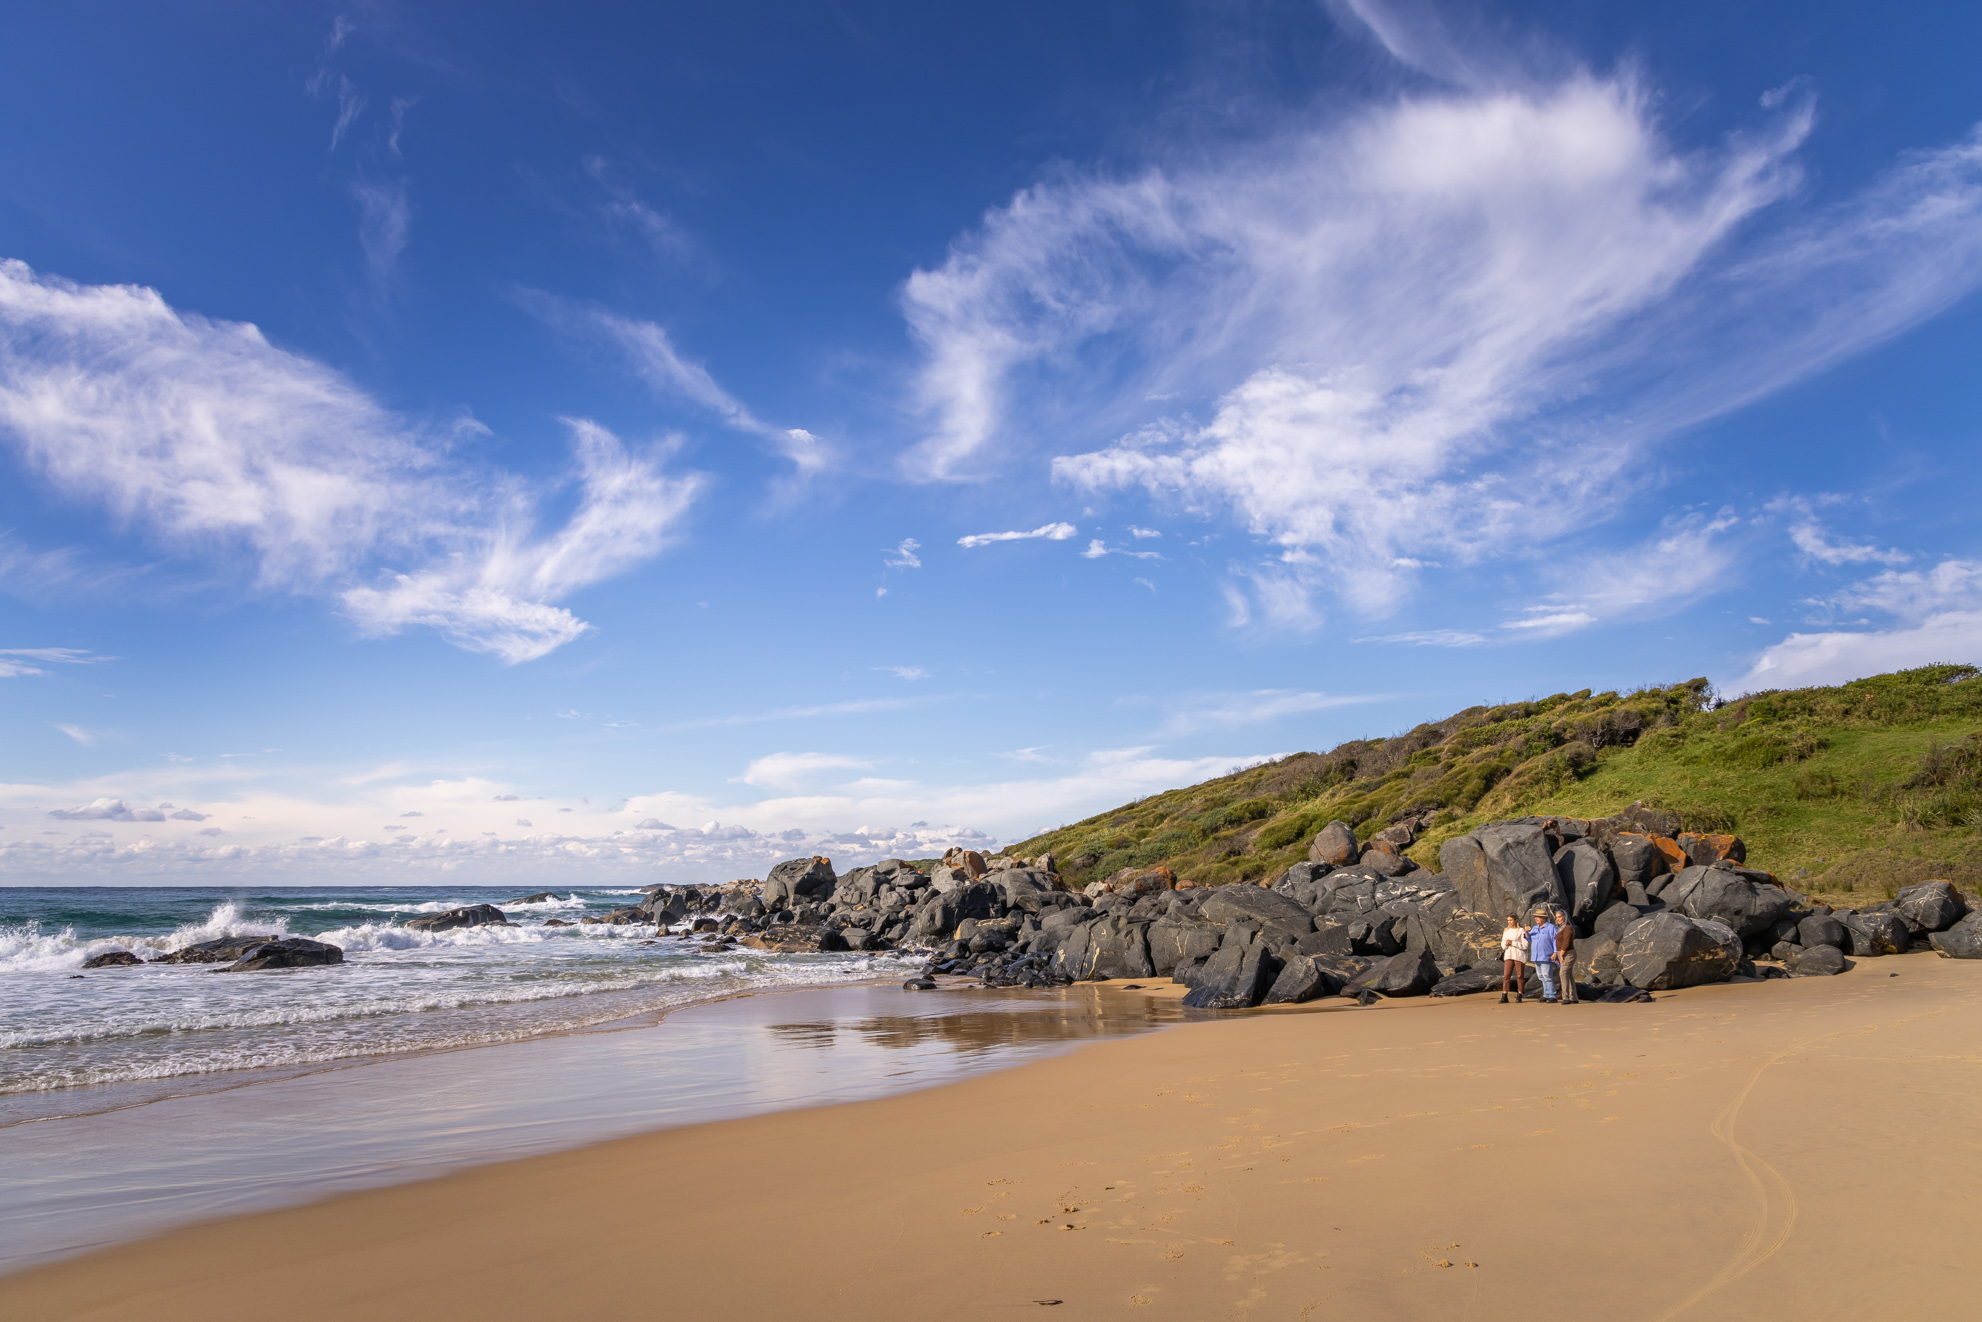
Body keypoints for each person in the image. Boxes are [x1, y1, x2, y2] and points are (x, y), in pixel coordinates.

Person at [1527, 909, 1559, 1002]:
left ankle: (1552, 995)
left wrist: (1555, 952)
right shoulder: (1535, 928)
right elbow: (1529, 939)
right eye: (1536, 917)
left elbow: (1556, 940)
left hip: (1546, 955)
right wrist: (1526, 932)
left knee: (1547, 975)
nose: (1536, 918)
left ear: (1544, 918)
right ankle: (1546, 994)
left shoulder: (1551, 927)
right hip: (1536, 956)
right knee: (1541, 976)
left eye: (1538, 917)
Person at [1498, 913, 1529, 1003]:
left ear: (1516, 920)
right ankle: (1504, 995)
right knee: (1506, 975)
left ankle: (1519, 994)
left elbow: (1525, 945)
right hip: (1508, 955)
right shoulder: (1506, 931)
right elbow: (1503, 945)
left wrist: (1513, 943)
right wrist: (1507, 944)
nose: (1509, 922)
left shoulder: (1521, 930)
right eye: (1508, 920)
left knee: (1520, 975)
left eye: (1511, 920)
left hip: (1519, 955)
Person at [1554, 907, 1579, 1004]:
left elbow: (1566, 942)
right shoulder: (1561, 928)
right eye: (1556, 917)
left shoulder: (1568, 928)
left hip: (1568, 953)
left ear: (1564, 917)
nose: (1558, 919)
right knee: (1569, 975)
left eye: (1560, 917)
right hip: (1562, 953)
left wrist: (1561, 954)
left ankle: (1566, 997)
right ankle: (1574, 998)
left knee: (1563, 973)